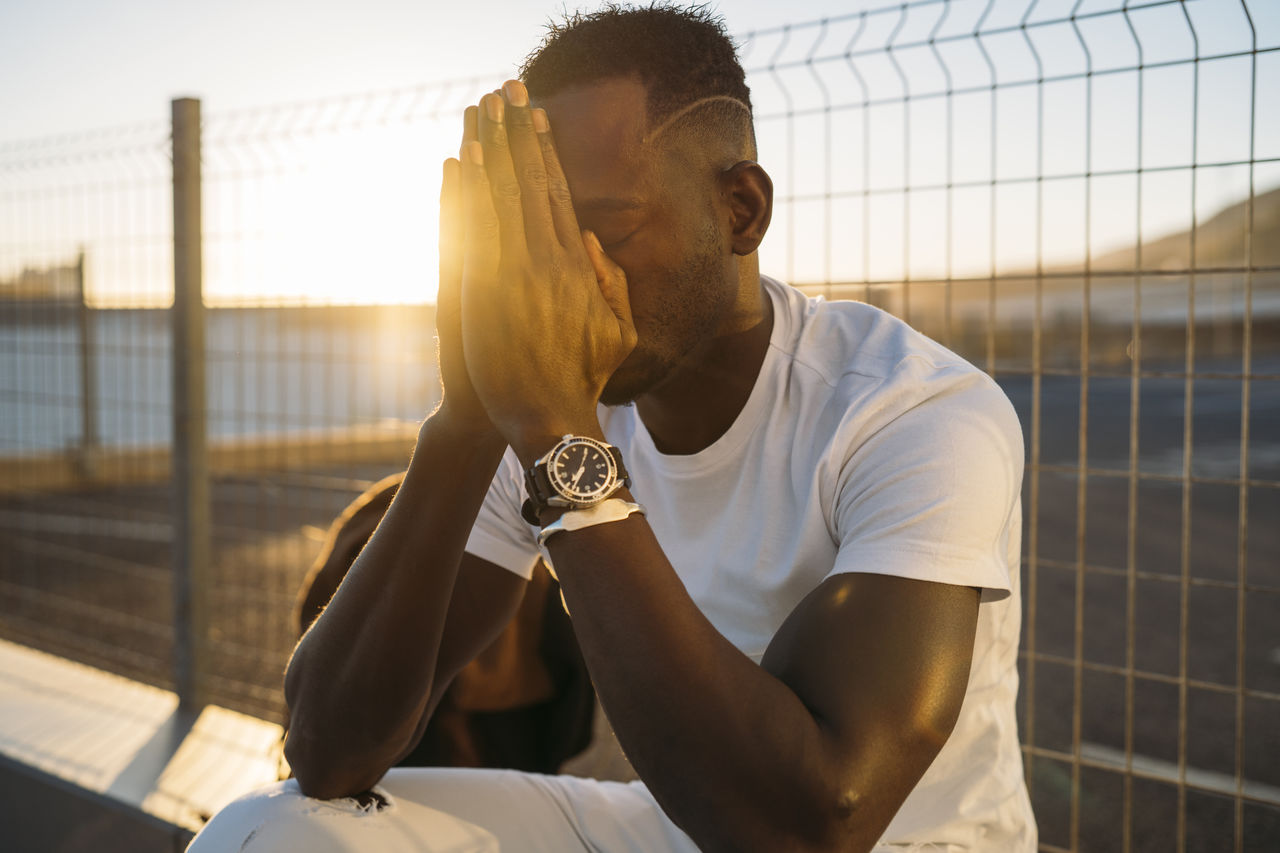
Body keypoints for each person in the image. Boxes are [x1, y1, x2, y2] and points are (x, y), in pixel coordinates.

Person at [189, 5, 1036, 851]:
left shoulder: (913, 414)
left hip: (888, 842)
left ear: (740, 210)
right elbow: (329, 750)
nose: (555, 281)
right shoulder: (547, 399)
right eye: (531, 242)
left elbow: (814, 822)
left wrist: (561, 435)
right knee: (272, 832)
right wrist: (466, 419)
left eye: (605, 230)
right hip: (677, 826)